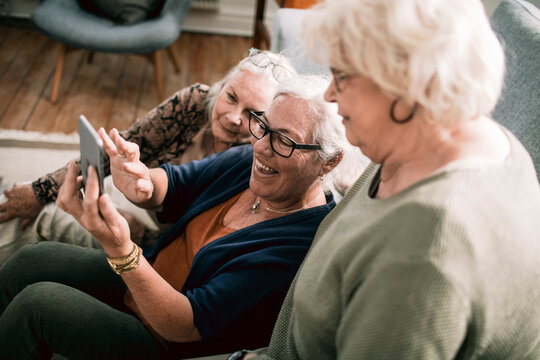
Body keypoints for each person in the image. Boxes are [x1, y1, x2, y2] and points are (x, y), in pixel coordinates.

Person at [224, 0, 540, 359]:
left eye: (341, 77)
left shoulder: (426, 251)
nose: (330, 93)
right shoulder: (434, 136)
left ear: (403, 87)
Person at [0, 75, 361, 359]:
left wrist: (121, 249)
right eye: (263, 127)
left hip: (166, 341)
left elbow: (183, 324)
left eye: (285, 140)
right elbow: (175, 184)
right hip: (151, 276)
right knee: (31, 259)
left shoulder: (297, 247)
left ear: (328, 161)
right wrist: (142, 180)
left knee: (39, 306)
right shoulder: (251, 160)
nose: (262, 146)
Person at [0, 48, 297, 264]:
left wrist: (136, 232)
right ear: (221, 87)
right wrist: (38, 191)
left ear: (271, 124)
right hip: (143, 220)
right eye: (231, 97)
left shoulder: (260, 164)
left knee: (41, 221)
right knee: (20, 200)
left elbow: (199, 251)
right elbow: (112, 152)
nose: (233, 117)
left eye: (252, 114)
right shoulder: (194, 102)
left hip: (159, 254)